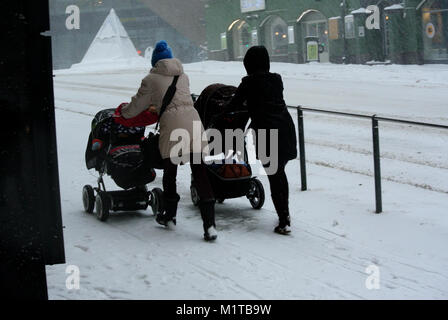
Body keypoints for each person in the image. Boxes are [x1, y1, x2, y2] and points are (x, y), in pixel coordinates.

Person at [119, 40, 217, 241]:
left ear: (155, 62)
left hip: (173, 127)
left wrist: (122, 112)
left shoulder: (151, 79)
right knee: (200, 172)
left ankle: (170, 217)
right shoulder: (183, 75)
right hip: (193, 122)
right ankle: (210, 226)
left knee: (170, 171)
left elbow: (136, 107)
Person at [224, 46, 297, 235]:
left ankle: (284, 220)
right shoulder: (276, 80)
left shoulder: (249, 83)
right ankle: (285, 215)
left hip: (268, 132)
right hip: (286, 128)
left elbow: (234, 104)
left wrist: (224, 112)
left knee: (275, 176)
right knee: (280, 173)